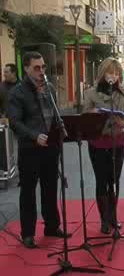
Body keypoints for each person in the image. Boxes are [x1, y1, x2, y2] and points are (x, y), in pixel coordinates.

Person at [7, 52, 69, 248]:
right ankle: (28, 234)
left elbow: (54, 114)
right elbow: (15, 122)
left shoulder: (49, 88)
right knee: (28, 192)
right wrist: (34, 136)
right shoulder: (17, 93)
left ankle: (52, 226)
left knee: (50, 188)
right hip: (30, 149)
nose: (41, 71)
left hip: (51, 148)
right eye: (36, 68)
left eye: (43, 67)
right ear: (26, 68)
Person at [83, 57, 124, 234]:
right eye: (110, 72)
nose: (114, 76)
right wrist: (93, 112)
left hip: (117, 140)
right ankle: (104, 220)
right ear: (103, 73)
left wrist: (122, 120)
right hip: (98, 141)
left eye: (117, 73)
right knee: (101, 181)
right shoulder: (91, 93)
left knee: (114, 181)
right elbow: (84, 116)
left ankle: (113, 217)